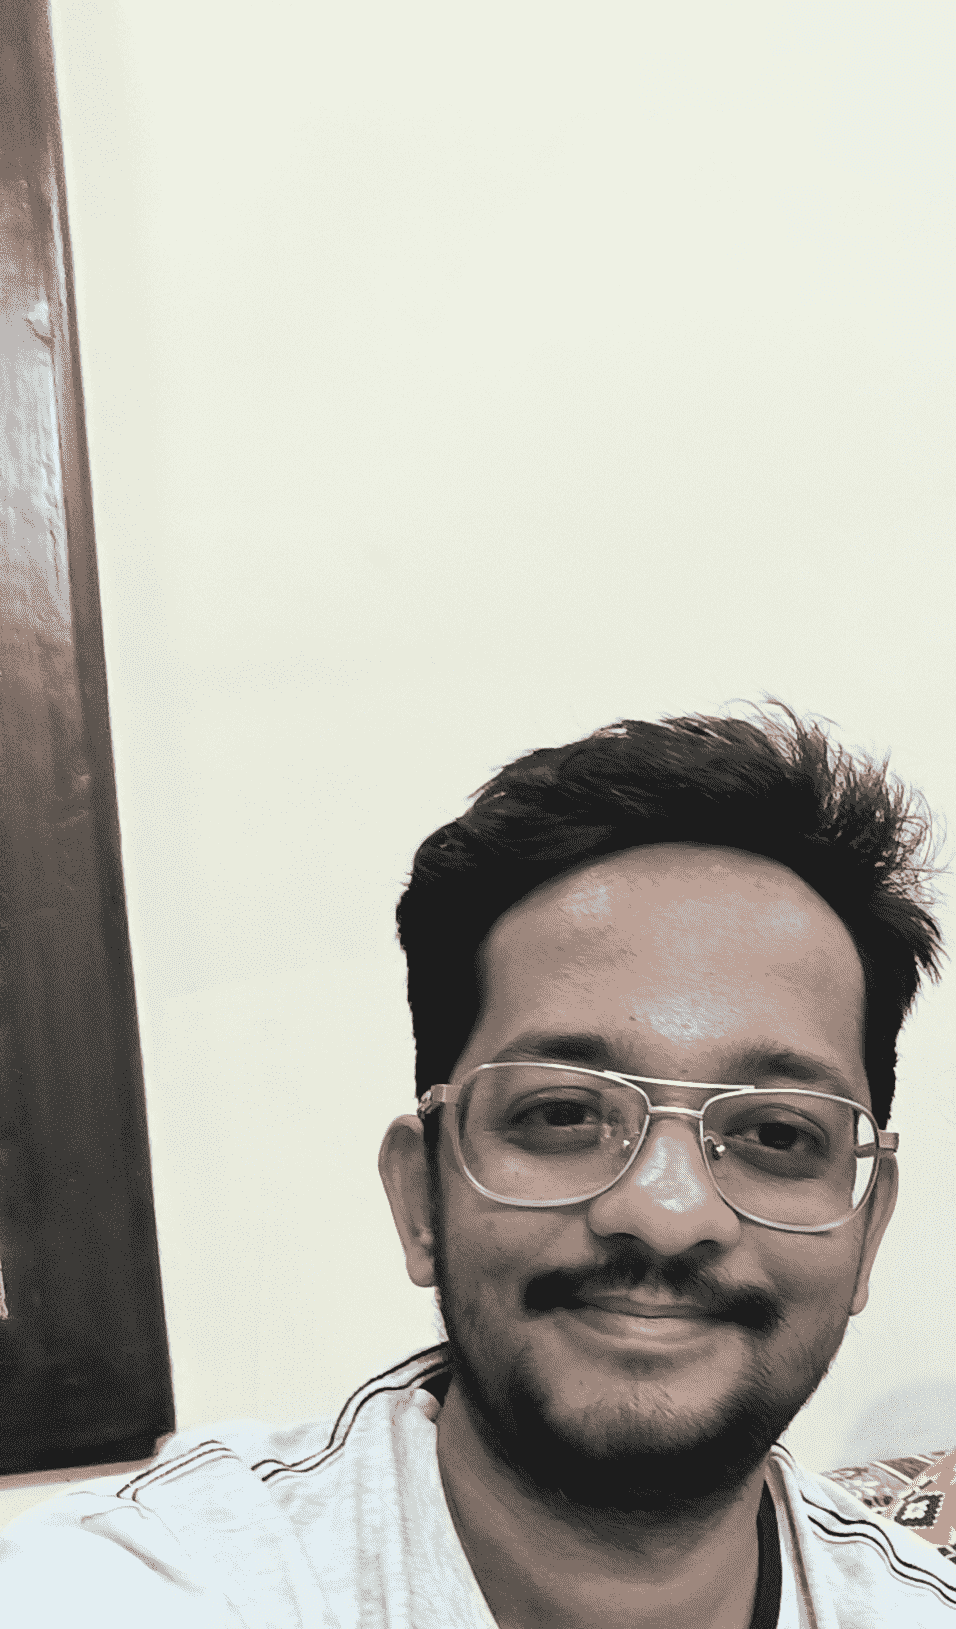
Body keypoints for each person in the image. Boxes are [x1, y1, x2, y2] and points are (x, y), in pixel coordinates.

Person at [1, 705, 954, 1627]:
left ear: (868, 1228)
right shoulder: (122, 1589)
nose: (667, 1212)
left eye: (777, 1134)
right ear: (421, 1194)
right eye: (564, 1113)